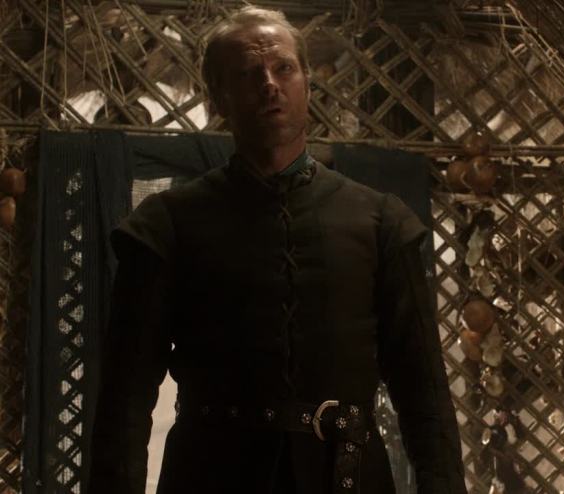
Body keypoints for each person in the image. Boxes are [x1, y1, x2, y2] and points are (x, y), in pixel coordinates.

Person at [88, 6, 467, 494]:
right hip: (211, 480)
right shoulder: (167, 224)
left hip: (347, 479)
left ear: (307, 82)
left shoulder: (379, 222)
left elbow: (424, 391)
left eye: (283, 68)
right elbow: (125, 398)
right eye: (248, 74)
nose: (270, 84)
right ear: (219, 98)